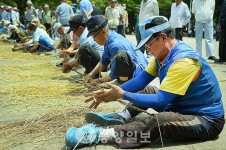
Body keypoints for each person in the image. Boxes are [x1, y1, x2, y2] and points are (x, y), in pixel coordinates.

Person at [65, 16, 225, 149]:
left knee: (161, 121)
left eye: (149, 43)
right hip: (179, 105)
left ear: (163, 37)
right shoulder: (161, 57)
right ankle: (123, 115)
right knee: (148, 90)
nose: (147, 49)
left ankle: (105, 134)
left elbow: (161, 101)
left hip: (205, 119)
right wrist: (111, 93)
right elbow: (140, 81)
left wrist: (122, 94)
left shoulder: (183, 61)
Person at [84, 15, 148, 86]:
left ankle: (125, 86)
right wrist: (91, 74)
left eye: (94, 36)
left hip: (139, 74)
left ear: (103, 32)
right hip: (134, 69)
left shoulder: (115, 45)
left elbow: (114, 73)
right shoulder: (109, 37)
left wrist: (98, 81)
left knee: (110, 91)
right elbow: (104, 60)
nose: (93, 39)